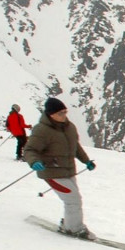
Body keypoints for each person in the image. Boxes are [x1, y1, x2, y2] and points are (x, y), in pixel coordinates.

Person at [24, 97, 97, 239]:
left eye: (65, 112)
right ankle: (74, 229)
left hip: (68, 171)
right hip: (51, 172)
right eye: (60, 113)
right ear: (50, 114)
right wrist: (34, 162)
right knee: (73, 199)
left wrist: (86, 161)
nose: (64, 115)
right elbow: (30, 150)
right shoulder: (42, 130)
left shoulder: (70, 127)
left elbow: (75, 147)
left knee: (73, 198)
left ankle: (69, 223)